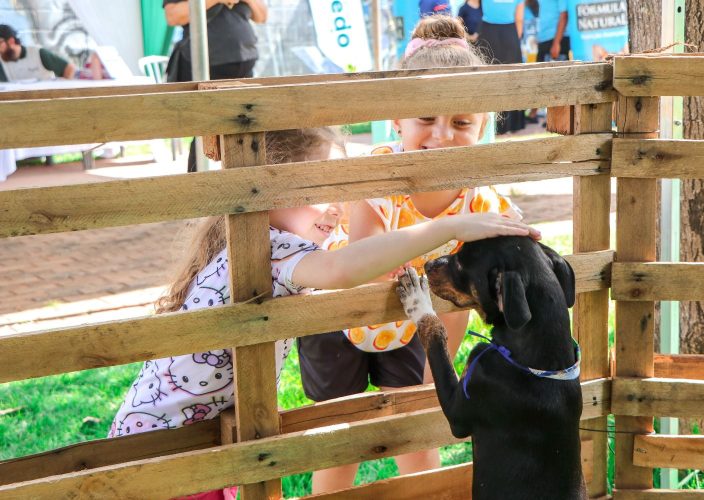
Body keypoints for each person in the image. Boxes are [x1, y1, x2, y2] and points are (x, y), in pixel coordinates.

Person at [108, 127, 537, 499]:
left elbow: (350, 261)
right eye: (319, 191)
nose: (338, 207)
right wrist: (451, 227)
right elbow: (340, 269)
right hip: (166, 448)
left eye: (340, 193)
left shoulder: (258, 243)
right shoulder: (268, 248)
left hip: (182, 439)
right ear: (270, 185)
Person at [301, 15, 533, 494]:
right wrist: (440, 242)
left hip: (409, 322)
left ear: (483, 125)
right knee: (343, 441)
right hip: (337, 319)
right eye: (426, 119)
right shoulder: (377, 178)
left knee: (417, 434)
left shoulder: (479, 202)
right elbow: (364, 267)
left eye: (461, 122)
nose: (442, 135)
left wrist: (435, 374)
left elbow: (458, 303)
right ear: (396, 120)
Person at [162, 0, 268, 173]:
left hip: (244, 61)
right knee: (206, 129)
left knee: (245, 126)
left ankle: (244, 181)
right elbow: (173, 16)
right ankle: (198, 184)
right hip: (207, 65)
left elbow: (263, 16)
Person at [477, 0, 526, 134]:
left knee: (488, 79)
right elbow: (519, 18)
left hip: (488, 32)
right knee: (511, 79)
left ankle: (487, 123)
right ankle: (512, 124)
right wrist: (514, 39)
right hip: (510, 33)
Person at [0, 24, 76, 82]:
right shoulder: (1, 62)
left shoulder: (38, 53)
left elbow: (69, 68)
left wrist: (63, 92)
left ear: (11, 41)